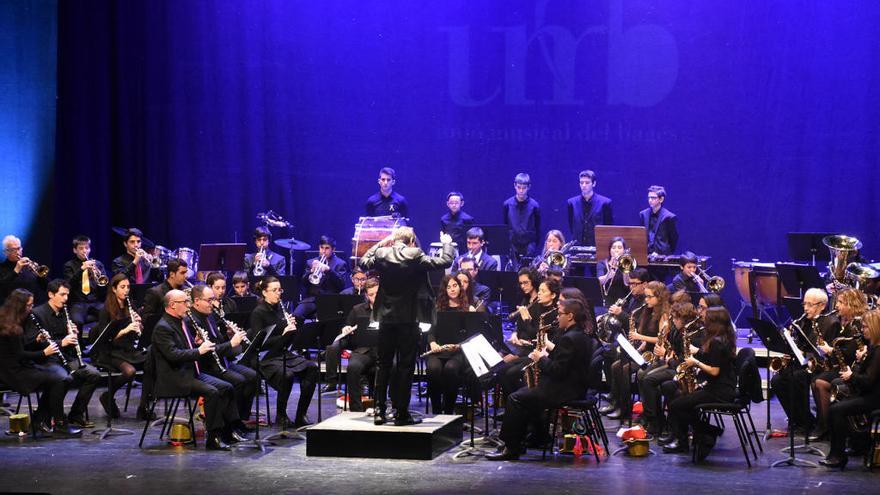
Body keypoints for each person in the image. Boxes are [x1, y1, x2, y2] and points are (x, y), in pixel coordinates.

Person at [359, 227, 454, 425]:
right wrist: (447, 242)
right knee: (405, 366)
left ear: (394, 240)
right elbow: (445, 261)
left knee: (383, 365)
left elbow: (363, 262)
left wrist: (382, 243)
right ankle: (401, 413)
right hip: (409, 318)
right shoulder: (415, 254)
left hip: (385, 318)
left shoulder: (382, 253)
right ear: (411, 241)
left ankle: (379, 411)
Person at [487, 298, 599, 460]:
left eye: (560, 314)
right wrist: (548, 355)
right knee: (525, 394)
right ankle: (532, 438)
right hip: (572, 386)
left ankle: (511, 447)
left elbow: (558, 371)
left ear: (570, 316)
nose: (557, 317)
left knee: (515, 398)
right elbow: (564, 362)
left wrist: (541, 358)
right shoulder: (577, 334)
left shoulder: (570, 338)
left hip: (566, 390)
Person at [150, 289, 242, 450]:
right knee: (212, 392)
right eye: (185, 302)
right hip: (174, 378)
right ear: (172, 305)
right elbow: (173, 355)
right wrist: (199, 350)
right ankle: (213, 438)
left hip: (190, 373)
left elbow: (184, 348)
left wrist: (196, 343)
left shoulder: (180, 321)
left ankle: (228, 431)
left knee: (227, 387)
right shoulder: (163, 327)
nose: (188, 305)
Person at [0, 289, 81, 437]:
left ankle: (39, 421)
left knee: (63, 379)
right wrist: (45, 352)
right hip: (12, 372)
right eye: (29, 305)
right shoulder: (10, 326)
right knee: (60, 380)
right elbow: (19, 355)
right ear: (20, 306)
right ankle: (59, 425)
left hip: (20, 366)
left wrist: (36, 340)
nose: (31, 308)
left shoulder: (10, 320)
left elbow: (19, 346)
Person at [662, 306, 737, 461]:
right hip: (718, 387)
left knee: (677, 405)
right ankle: (705, 433)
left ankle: (708, 432)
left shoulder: (717, 342)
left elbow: (715, 371)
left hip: (719, 391)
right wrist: (698, 352)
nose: (703, 319)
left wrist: (695, 362)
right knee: (681, 400)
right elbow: (714, 359)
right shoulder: (723, 338)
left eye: (706, 318)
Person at [24, 279, 102, 428]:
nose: (65, 299)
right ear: (50, 295)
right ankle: (57, 420)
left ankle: (76, 414)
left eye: (67, 295)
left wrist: (73, 334)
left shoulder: (65, 313)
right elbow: (34, 343)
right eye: (62, 295)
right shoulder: (37, 314)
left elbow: (69, 344)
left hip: (64, 357)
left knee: (94, 374)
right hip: (47, 359)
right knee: (64, 378)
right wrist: (62, 342)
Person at [248, 277, 318, 428]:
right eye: (274, 290)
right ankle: (281, 415)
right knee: (287, 375)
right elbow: (259, 342)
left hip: (281, 353)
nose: (278, 294)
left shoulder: (281, 308)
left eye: (279, 290)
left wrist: (293, 329)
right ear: (265, 293)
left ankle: (301, 415)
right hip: (265, 357)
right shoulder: (258, 312)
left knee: (312, 368)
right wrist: (284, 334)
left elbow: (286, 337)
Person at [186, 284, 255, 432]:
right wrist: (231, 343)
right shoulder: (192, 321)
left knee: (253, 377)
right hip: (207, 366)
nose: (213, 303)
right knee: (238, 381)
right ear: (197, 301)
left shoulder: (210, 315)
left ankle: (239, 419)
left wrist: (229, 336)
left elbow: (218, 342)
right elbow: (209, 351)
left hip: (221, 361)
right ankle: (229, 424)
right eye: (209, 300)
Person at [821, 308, 880, 468]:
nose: (862, 330)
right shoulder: (874, 348)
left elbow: (868, 381)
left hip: (874, 398)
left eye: (865, 327)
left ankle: (838, 455)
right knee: (836, 403)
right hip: (870, 394)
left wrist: (851, 376)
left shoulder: (878, 350)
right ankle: (854, 444)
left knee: (836, 409)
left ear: (874, 327)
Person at [606, 281, 668, 421]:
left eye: (649, 297)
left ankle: (643, 412)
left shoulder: (664, 314)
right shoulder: (648, 311)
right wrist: (641, 344)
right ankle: (621, 405)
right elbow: (649, 335)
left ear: (659, 297)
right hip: (646, 352)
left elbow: (660, 338)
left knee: (629, 370)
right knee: (617, 366)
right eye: (646, 296)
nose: (646, 300)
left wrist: (639, 337)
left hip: (656, 356)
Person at [809, 288, 864, 441]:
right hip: (843, 367)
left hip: (851, 369)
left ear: (851, 304)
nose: (837, 306)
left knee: (820, 382)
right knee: (815, 380)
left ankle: (828, 427)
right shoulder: (845, 323)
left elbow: (849, 353)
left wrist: (830, 350)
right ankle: (823, 424)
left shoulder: (857, 324)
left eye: (840, 302)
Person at [93, 273, 151, 419]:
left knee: (152, 363)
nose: (126, 290)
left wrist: (140, 324)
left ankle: (143, 407)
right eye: (122, 287)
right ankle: (108, 395)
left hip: (128, 349)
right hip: (110, 351)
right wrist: (125, 330)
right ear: (114, 289)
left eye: (128, 287)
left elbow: (138, 332)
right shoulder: (105, 310)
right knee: (130, 372)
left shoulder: (130, 305)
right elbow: (104, 338)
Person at [322, 278, 380, 410]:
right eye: (371, 295)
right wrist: (346, 329)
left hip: (383, 350)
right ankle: (356, 408)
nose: (375, 297)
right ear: (366, 295)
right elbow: (347, 325)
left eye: (377, 294)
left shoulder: (389, 310)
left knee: (393, 366)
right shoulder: (357, 309)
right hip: (362, 351)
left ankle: (382, 406)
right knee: (353, 367)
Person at [426, 275, 474, 414]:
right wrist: (433, 343)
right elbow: (430, 332)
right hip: (440, 350)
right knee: (433, 368)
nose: (452, 289)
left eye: (455, 285)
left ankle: (448, 410)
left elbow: (472, 335)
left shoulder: (468, 308)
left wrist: (460, 345)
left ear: (460, 287)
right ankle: (436, 410)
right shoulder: (438, 307)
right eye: (448, 287)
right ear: (444, 290)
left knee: (451, 368)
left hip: (459, 352)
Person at [294, 235, 350, 319]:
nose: (323, 251)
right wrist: (311, 271)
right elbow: (304, 283)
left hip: (330, 300)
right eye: (321, 248)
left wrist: (329, 270)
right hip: (312, 299)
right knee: (296, 315)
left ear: (333, 249)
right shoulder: (311, 262)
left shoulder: (340, 263)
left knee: (324, 319)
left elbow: (342, 285)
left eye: (327, 248)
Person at [140, 259, 189, 344]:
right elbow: (146, 318)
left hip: (183, 335)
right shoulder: (155, 292)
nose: (186, 276)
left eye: (186, 272)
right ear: (172, 274)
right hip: (164, 338)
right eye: (182, 273)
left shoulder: (185, 291)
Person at [62, 235, 106, 326]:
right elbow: (68, 285)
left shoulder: (98, 264)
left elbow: (104, 285)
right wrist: (82, 269)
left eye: (87, 248)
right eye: (81, 248)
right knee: (77, 321)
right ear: (75, 250)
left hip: (95, 302)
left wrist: (95, 275)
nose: (84, 251)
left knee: (109, 315)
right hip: (78, 303)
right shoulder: (69, 265)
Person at [502, 173, 541, 267]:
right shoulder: (507, 204)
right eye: (519, 187)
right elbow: (505, 226)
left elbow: (537, 228)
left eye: (524, 188)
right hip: (512, 245)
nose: (521, 191)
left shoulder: (534, 206)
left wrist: (533, 246)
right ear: (514, 185)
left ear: (529, 187)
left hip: (528, 246)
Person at [566, 170, 613, 247]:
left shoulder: (605, 203)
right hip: (578, 247)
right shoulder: (572, 202)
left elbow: (608, 228)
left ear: (594, 183)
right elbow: (572, 226)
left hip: (597, 247)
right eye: (581, 183)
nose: (584, 185)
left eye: (587, 182)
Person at [0, 235, 49, 304]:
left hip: (32, 308)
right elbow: (3, 289)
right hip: (12, 309)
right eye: (13, 250)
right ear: (6, 252)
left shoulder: (28, 266)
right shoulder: (2, 268)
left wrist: (39, 275)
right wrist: (16, 270)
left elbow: (47, 286)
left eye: (19, 248)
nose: (17, 252)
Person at [639, 185, 679, 256]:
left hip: (662, 256)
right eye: (649, 197)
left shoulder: (669, 217)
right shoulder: (643, 214)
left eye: (653, 198)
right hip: (646, 254)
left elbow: (673, 239)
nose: (650, 200)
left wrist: (664, 253)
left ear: (661, 199)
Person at [596, 236, 631, 307]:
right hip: (606, 300)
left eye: (619, 248)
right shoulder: (602, 264)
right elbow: (599, 281)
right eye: (613, 248)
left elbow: (627, 283)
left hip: (622, 301)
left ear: (624, 250)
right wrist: (608, 276)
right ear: (610, 250)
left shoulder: (627, 264)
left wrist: (624, 269)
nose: (616, 250)